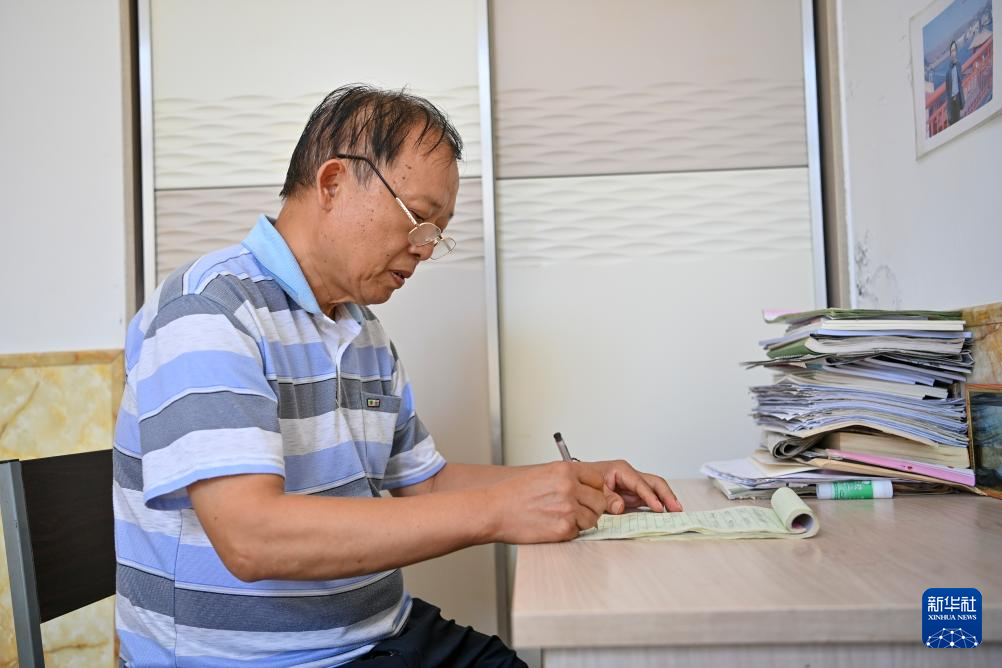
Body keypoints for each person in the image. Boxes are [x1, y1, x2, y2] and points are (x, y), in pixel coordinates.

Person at [113, 84, 682, 667]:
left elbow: (425, 483)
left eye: (438, 231)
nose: (426, 249)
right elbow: (251, 538)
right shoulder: (209, 311)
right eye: (419, 219)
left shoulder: (362, 330)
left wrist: (572, 480)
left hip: (381, 633)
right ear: (333, 183)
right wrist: (500, 510)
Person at [945, 40, 965, 125]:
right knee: (952, 122)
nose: (953, 53)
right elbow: (947, 90)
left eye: (954, 50)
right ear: (950, 53)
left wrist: (957, 65)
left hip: (958, 97)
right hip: (951, 100)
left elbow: (960, 80)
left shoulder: (958, 65)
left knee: (958, 121)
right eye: (952, 51)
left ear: (956, 51)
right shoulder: (948, 70)